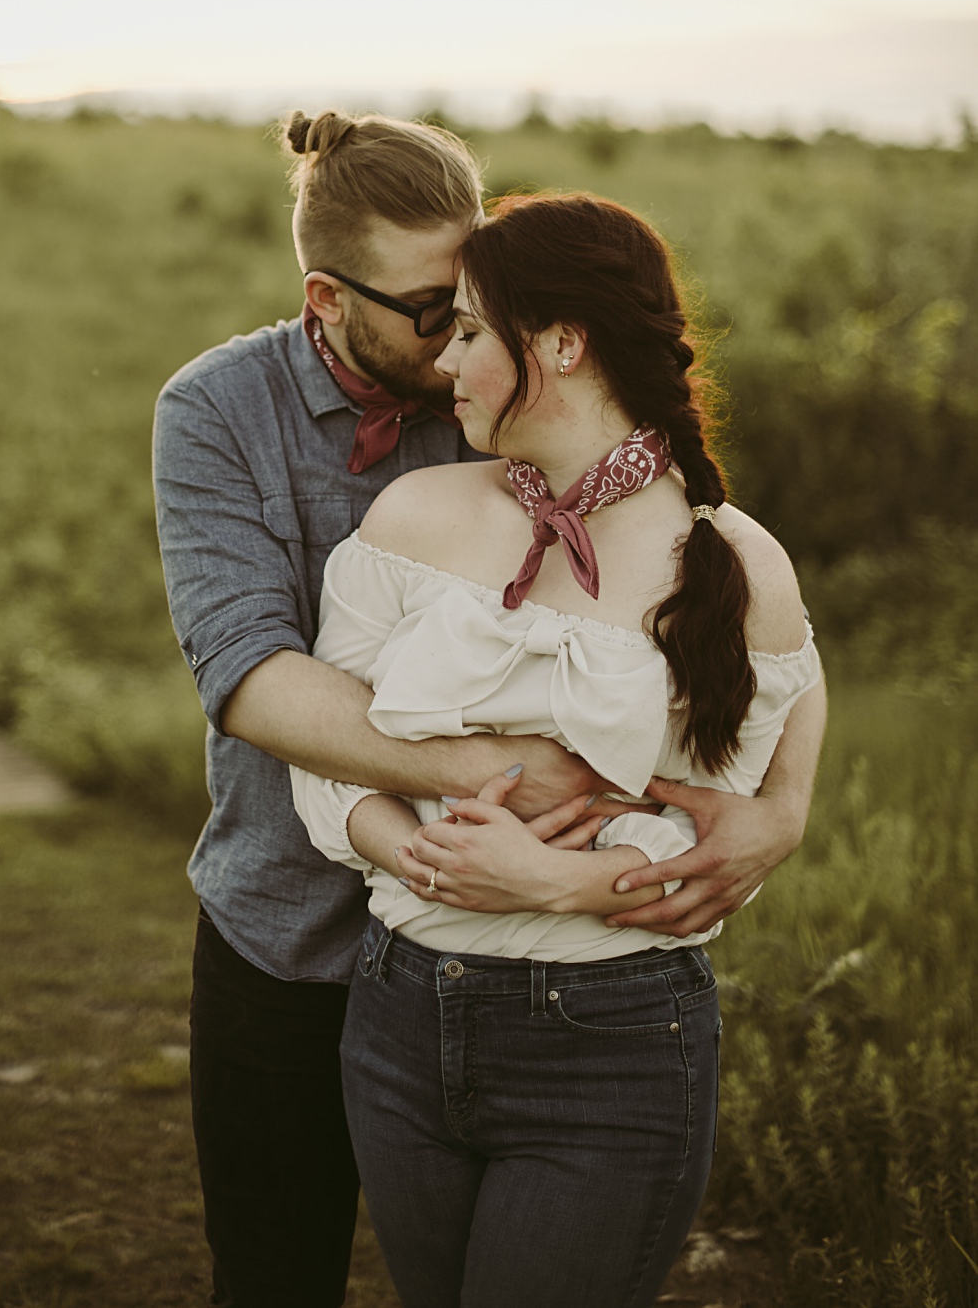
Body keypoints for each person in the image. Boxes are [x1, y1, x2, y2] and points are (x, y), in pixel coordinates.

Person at [152, 114, 825, 1308]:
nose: (456, 336)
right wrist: (491, 775)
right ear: (326, 297)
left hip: (546, 977)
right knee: (271, 1273)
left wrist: (780, 808)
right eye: (434, 312)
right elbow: (249, 675)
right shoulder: (217, 411)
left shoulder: (522, 407)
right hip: (291, 925)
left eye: (477, 300)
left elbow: (737, 618)